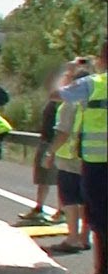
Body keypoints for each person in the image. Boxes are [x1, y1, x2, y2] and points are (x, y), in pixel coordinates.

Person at [57, 41, 108, 274]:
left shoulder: (94, 83)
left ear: (102, 58)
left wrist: (67, 71)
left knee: (100, 219)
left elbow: (56, 93)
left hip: (99, 163)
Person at [44, 60, 94, 253]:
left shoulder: (69, 104)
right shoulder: (92, 102)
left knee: (70, 199)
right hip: (89, 155)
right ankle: (84, 237)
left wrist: (50, 152)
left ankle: (73, 238)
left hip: (69, 158)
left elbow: (63, 133)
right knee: (86, 199)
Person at [18, 75, 63, 224]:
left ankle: (62, 211)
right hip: (46, 141)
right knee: (43, 178)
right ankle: (39, 208)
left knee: (60, 178)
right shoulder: (53, 101)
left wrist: (53, 148)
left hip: (53, 143)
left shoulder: (65, 101)